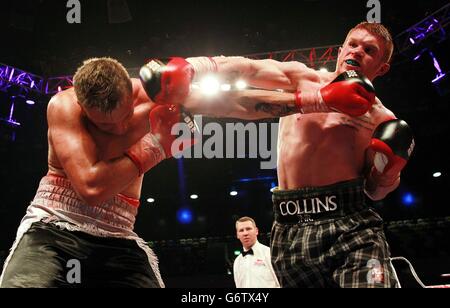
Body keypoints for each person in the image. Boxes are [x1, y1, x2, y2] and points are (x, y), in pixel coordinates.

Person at [140, 22, 415, 287]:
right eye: (352, 45)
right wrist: (195, 68)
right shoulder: (303, 79)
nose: (357, 52)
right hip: (290, 227)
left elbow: (375, 191)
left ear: (383, 67)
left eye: (369, 50)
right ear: (341, 50)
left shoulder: (382, 119)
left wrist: (388, 172)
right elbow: (247, 69)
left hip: (351, 226)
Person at [0, 57, 195, 288]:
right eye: (105, 125)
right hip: (54, 226)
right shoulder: (64, 105)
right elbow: (91, 188)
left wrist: (249, 73)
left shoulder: (160, 99)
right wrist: (158, 146)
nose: (120, 129)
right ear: (84, 107)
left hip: (118, 236)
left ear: (130, 98)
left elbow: (228, 86)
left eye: (124, 118)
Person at [233, 217, 280, 288]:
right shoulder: (237, 262)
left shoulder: (269, 253)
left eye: (248, 229)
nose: (245, 233)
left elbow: (280, 283)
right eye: (241, 230)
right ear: (237, 235)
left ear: (256, 231)